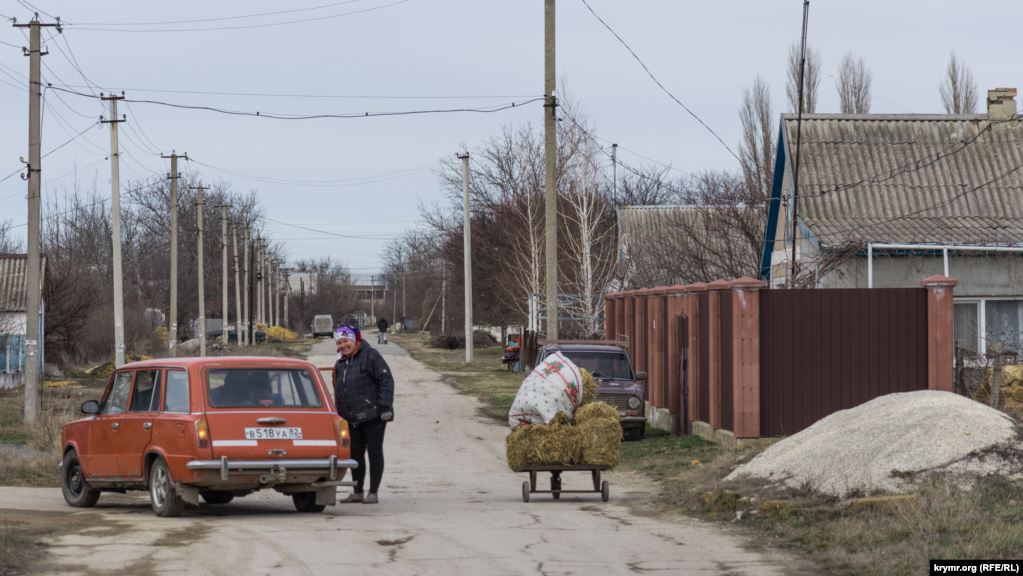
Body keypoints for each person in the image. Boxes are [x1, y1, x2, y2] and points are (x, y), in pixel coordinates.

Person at [333, 324, 394, 504]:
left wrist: (385, 407)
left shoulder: (370, 356)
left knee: (374, 451)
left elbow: (386, 380)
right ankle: (357, 491)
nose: (343, 345)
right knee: (355, 454)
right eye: (340, 342)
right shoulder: (340, 363)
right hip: (350, 417)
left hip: (373, 415)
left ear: (355, 341)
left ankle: (373, 492)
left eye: (346, 341)